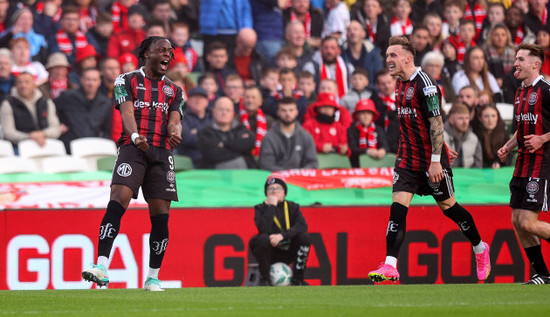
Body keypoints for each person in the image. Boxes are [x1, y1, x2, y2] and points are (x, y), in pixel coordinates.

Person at [367, 36, 491, 283]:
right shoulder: (400, 84)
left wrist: (437, 158)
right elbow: (419, 122)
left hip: (431, 162)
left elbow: (436, 122)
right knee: (397, 209)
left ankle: (480, 248)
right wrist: (441, 144)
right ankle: (390, 265)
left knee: (450, 208)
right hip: (407, 160)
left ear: (407, 58)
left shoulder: (427, 85)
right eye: (387, 55)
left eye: (393, 55)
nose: (388, 59)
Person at [81, 36, 185, 292]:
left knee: (161, 217)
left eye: (170, 52)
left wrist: (175, 131)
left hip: (162, 152)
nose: (167, 55)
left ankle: (152, 277)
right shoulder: (125, 80)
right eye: (162, 50)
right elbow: (127, 112)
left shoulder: (175, 90)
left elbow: (174, 119)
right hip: (132, 147)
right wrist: (136, 135)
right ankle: (101, 267)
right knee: (118, 199)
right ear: (146, 53)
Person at [497, 43, 550, 285]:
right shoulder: (520, 92)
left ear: (535, 64)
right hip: (522, 164)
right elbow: (522, 129)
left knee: (528, 222)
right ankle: (543, 275)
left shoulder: (546, 90)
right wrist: (509, 146)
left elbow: (538, 134)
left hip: (542, 165)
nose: (515, 63)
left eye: (520, 59)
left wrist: (542, 138)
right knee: (518, 223)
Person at [249, 174, 311, 286]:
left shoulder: (293, 207)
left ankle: (298, 279)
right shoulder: (260, 208)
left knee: (304, 237)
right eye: (270, 189)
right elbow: (263, 229)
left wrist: (282, 236)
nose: (274, 191)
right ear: (266, 193)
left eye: (278, 188)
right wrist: (271, 207)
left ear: (284, 193)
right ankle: (266, 280)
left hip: (288, 249)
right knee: (261, 239)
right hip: (270, 251)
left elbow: (302, 226)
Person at [54, 68, 112, 153]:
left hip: (93, 149)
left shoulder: (106, 103)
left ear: (99, 82)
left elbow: (107, 129)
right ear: (81, 80)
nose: (91, 83)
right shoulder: (67, 97)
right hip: (69, 148)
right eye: (88, 79)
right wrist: (56, 126)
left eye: (94, 80)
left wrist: (102, 146)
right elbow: (49, 108)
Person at [259, 97, 318, 171]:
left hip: (299, 180)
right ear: (278, 112)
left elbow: (312, 163)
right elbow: (266, 165)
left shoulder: (306, 137)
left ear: (297, 112)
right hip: (277, 180)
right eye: (283, 110)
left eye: (291, 110)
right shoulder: (269, 138)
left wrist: (297, 174)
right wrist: (287, 174)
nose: (288, 114)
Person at [198, 96, 256, 169]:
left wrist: (224, 144)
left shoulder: (241, 129)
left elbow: (249, 143)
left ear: (233, 113)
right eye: (221, 109)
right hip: (215, 177)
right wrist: (240, 151)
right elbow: (213, 154)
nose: (224, 113)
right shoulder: (205, 133)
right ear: (214, 111)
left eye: (228, 110)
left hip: (245, 176)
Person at [175, 86, 212, 168]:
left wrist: (197, 132)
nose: (198, 100)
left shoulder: (213, 116)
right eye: (195, 97)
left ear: (207, 102)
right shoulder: (181, 117)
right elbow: (186, 138)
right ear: (188, 101)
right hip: (190, 160)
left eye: (201, 97)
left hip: (211, 160)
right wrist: (209, 137)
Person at [341, 20, 383, 87]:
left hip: (370, 93)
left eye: (355, 29)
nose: (352, 32)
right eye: (349, 30)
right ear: (346, 34)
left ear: (363, 33)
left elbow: (379, 78)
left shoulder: (374, 54)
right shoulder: (340, 53)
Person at [347, 98, 387, 167]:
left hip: (377, 165)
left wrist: (383, 150)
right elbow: (352, 149)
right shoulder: (351, 130)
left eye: (369, 113)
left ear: (372, 115)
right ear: (357, 115)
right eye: (362, 113)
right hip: (357, 166)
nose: (366, 116)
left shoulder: (378, 129)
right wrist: (367, 151)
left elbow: (385, 145)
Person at [443, 103, 483, 168]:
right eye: (460, 118)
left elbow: (478, 165)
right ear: (451, 120)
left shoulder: (473, 138)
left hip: (469, 177)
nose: (465, 122)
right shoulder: (441, 137)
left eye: (467, 118)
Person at [472, 104, 510, 168]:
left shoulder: (504, 133)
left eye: (493, 116)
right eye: (486, 116)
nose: (490, 120)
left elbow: (509, 157)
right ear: (480, 118)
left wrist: (499, 163)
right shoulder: (475, 135)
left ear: (497, 117)